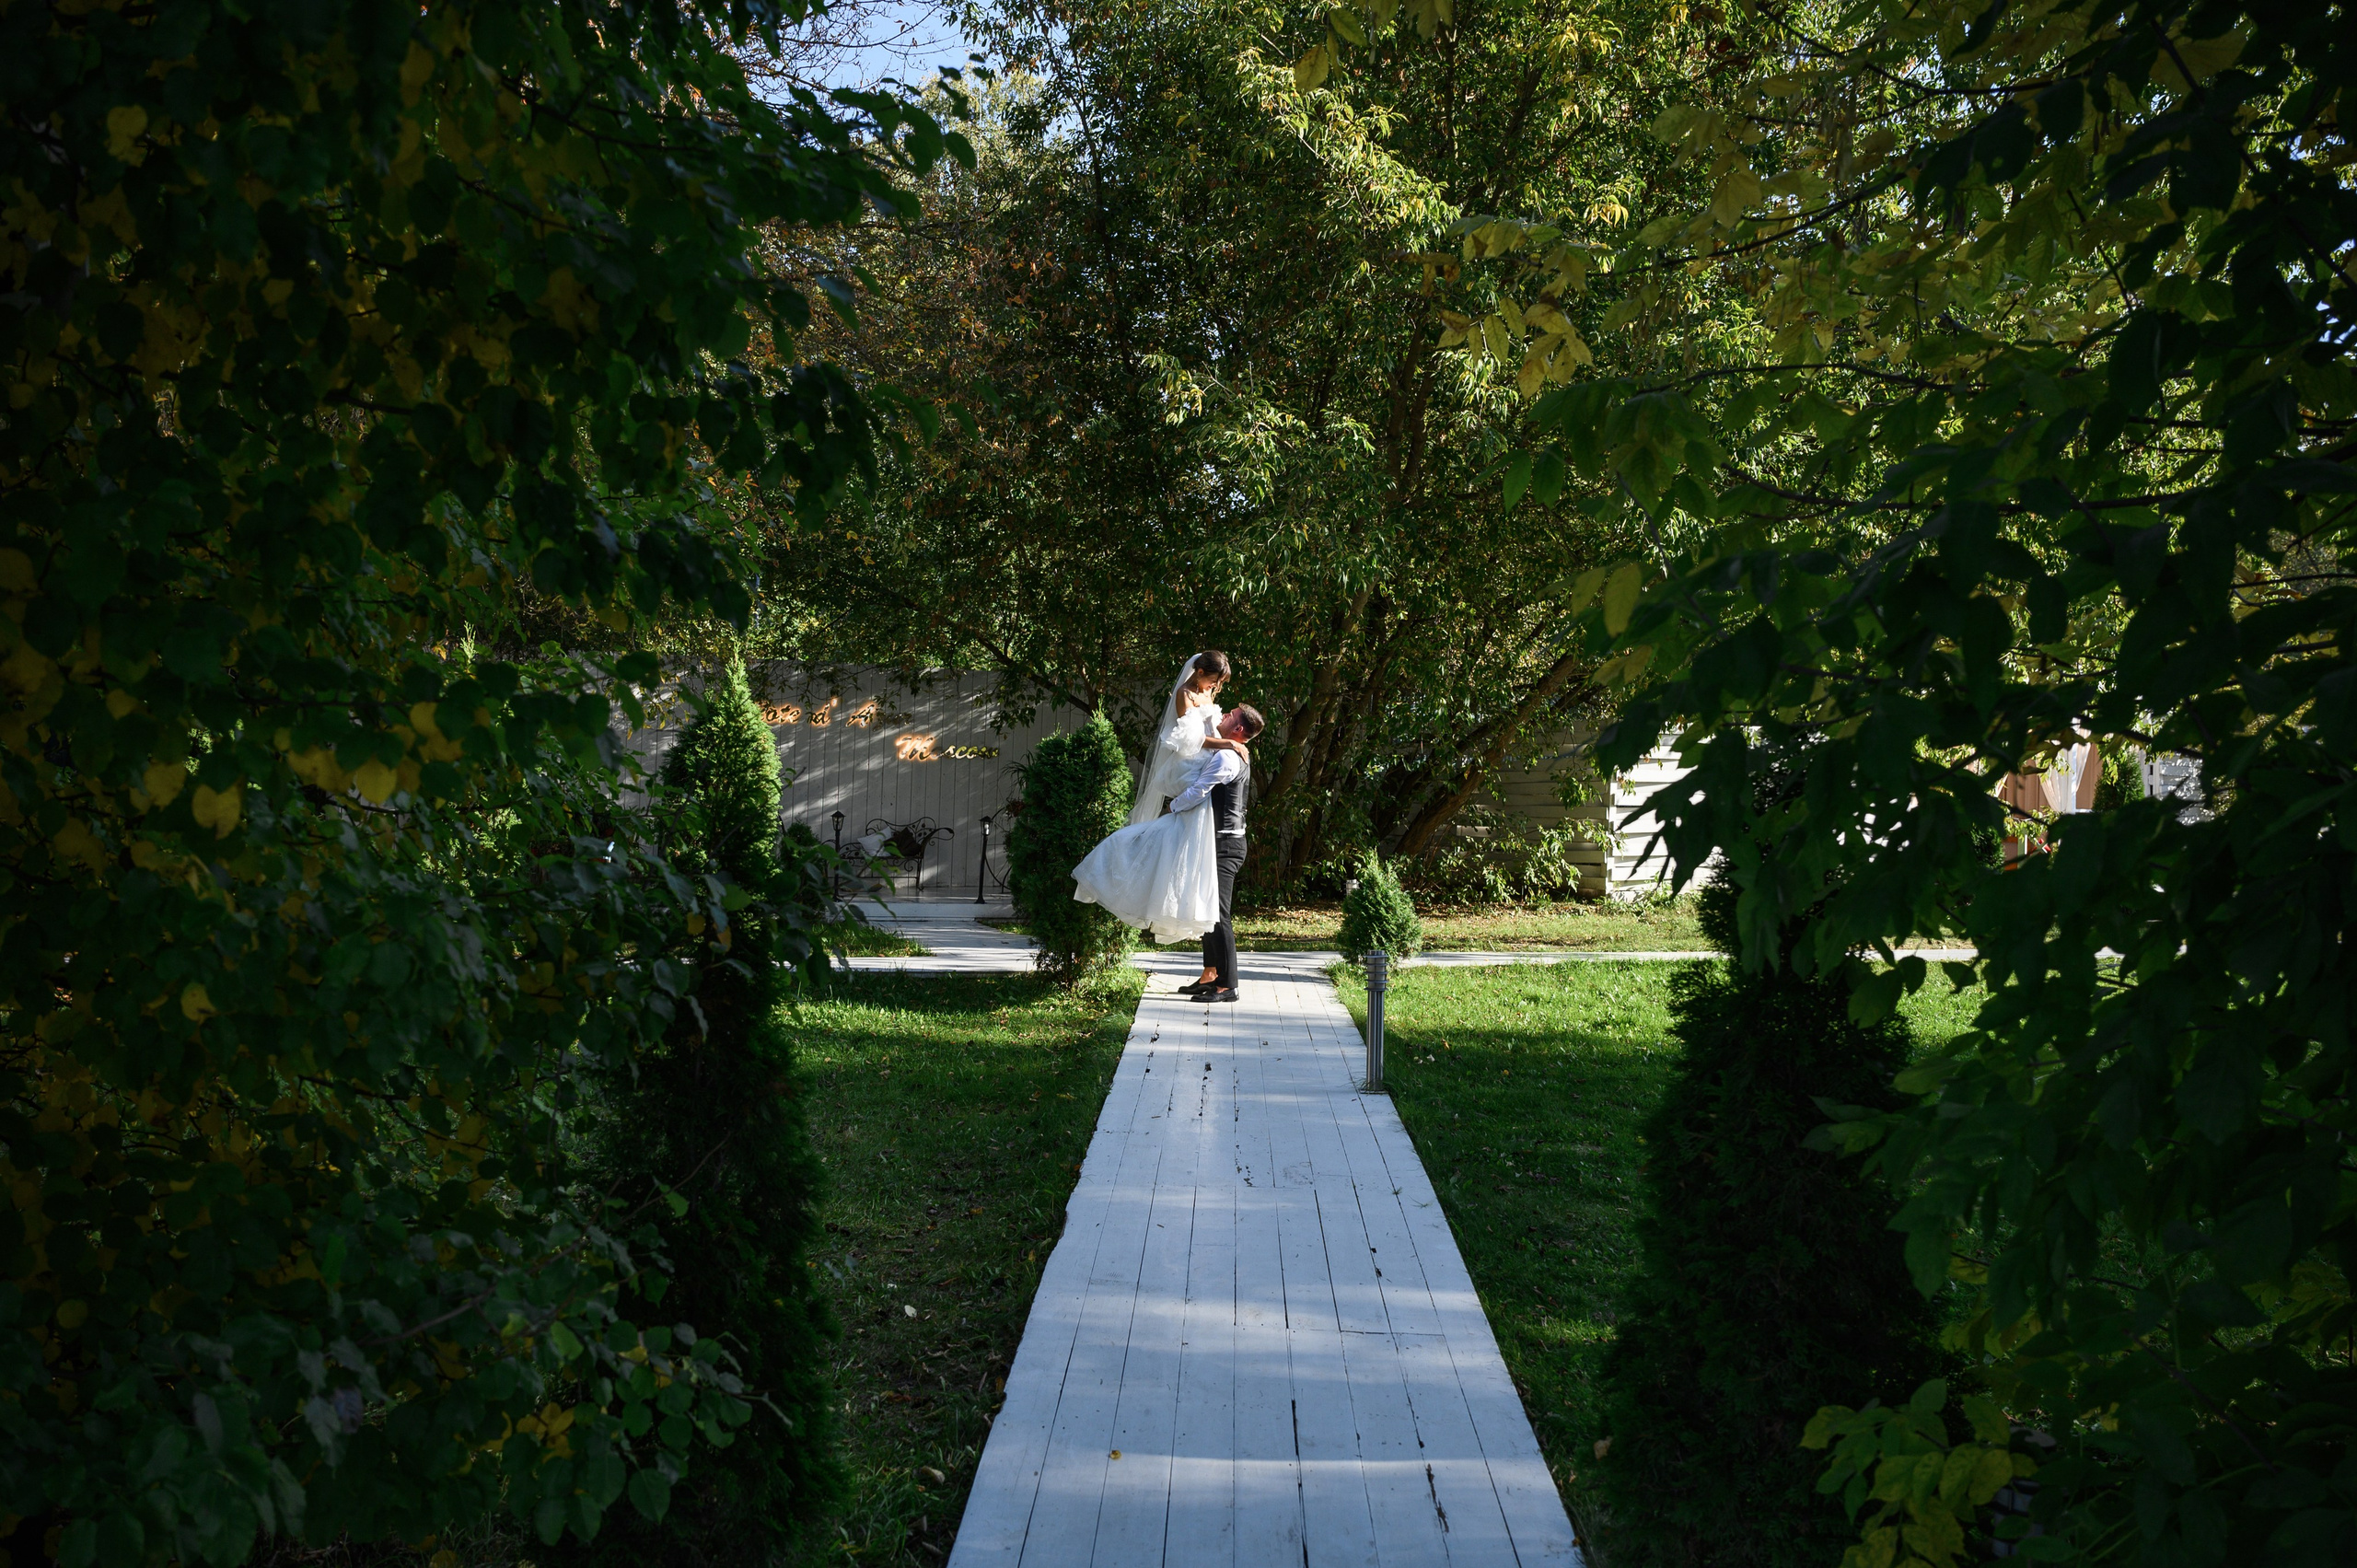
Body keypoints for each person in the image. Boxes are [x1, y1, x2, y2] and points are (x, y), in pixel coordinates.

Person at [1172, 704, 1260, 1004]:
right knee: (1207, 910)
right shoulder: (1231, 751)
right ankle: (1210, 974)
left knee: (1219, 914)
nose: (1223, 716)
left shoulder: (1227, 757)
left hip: (1226, 845)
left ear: (1238, 729)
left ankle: (1228, 986)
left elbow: (1200, 790)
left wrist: (1172, 806)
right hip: (1219, 842)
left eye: (1229, 715)